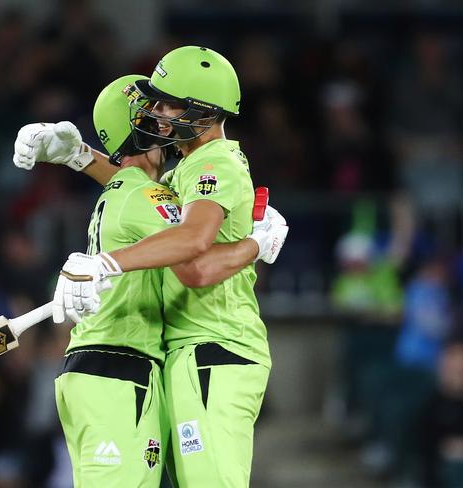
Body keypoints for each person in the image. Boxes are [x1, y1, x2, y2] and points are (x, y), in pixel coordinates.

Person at [14, 72, 287, 487]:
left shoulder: (133, 191)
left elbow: (141, 189)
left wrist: (81, 157)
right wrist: (255, 244)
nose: (161, 119)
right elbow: (194, 257)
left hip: (109, 366)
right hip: (120, 368)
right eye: (150, 113)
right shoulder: (147, 197)